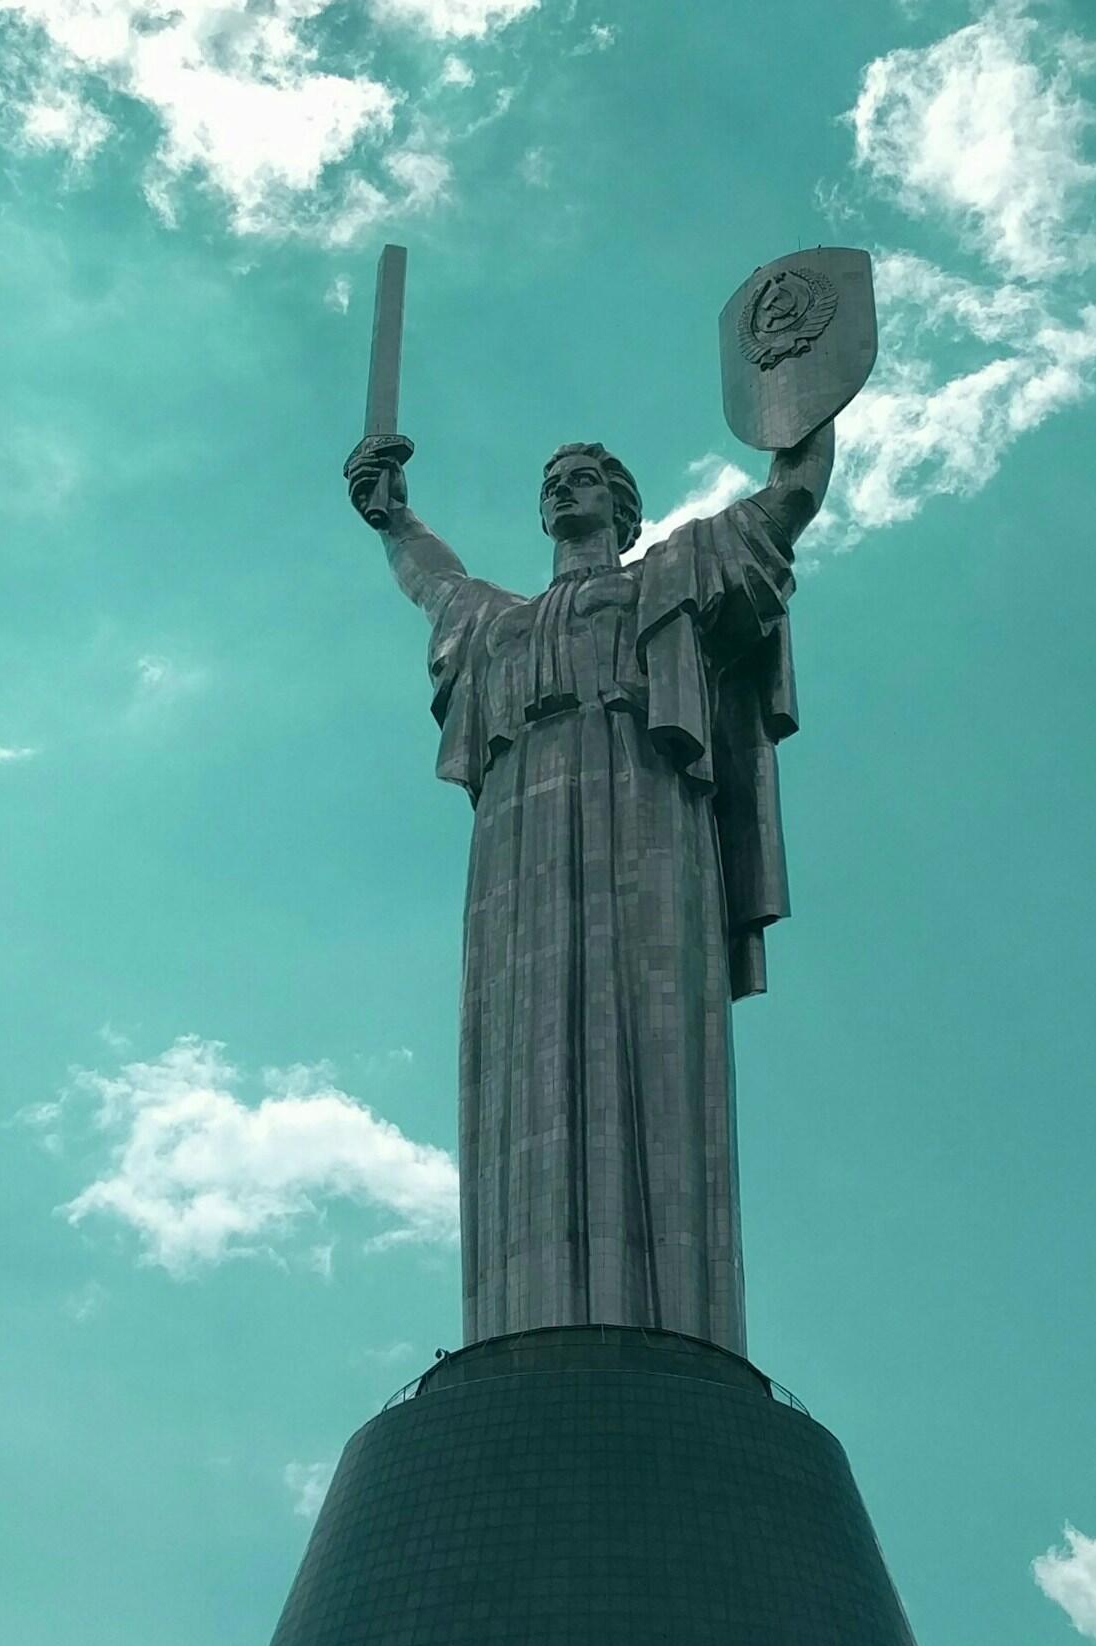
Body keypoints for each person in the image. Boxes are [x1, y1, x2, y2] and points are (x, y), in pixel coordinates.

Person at [344, 421, 833, 1357]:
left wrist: (804, 409)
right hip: (518, 854)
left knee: (646, 1031)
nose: (565, 491)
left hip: (645, 814)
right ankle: (527, 1324)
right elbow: (432, 583)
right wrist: (392, 521)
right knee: (527, 1054)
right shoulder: (500, 622)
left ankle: (671, 1323)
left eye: (583, 478)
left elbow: (787, 506)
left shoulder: (668, 579)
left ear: (622, 504)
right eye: (552, 483)